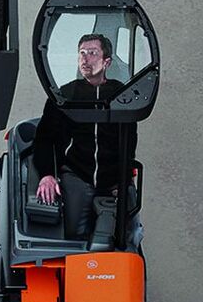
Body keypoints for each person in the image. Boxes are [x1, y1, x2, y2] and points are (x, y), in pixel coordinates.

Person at [33, 32, 138, 249]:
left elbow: (129, 143)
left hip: (113, 178)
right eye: (81, 53)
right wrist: (47, 174)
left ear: (106, 61)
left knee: (126, 233)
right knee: (74, 236)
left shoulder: (121, 95)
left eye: (92, 53)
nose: (85, 59)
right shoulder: (65, 95)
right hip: (77, 174)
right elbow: (44, 138)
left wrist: (124, 178)